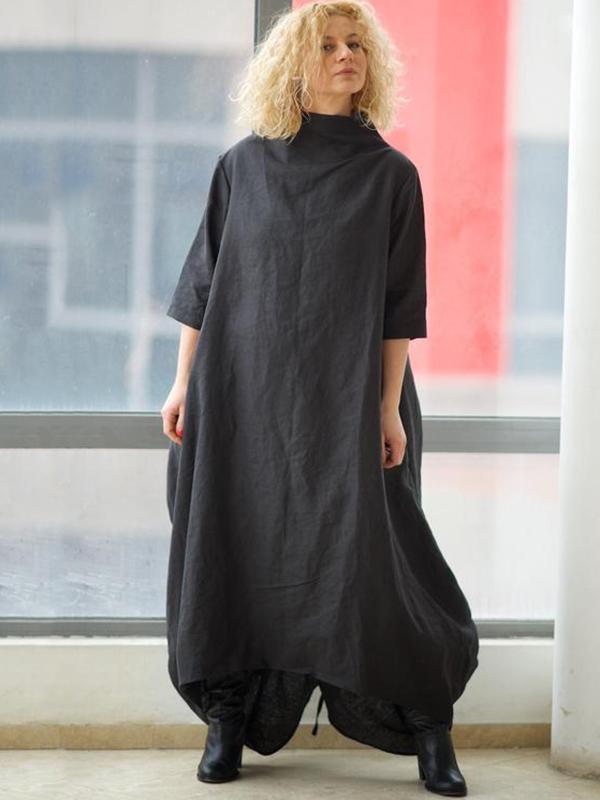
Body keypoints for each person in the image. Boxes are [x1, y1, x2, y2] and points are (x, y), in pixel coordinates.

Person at [161, 1, 479, 795]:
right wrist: (182, 382)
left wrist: (386, 405)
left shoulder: (391, 176)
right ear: (294, 64)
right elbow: (204, 285)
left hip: (351, 395)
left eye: (356, 43)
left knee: (381, 559)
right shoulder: (243, 166)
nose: (346, 55)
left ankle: (428, 726)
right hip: (244, 394)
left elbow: (401, 306)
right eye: (329, 44)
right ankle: (228, 721)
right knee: (237, 546)